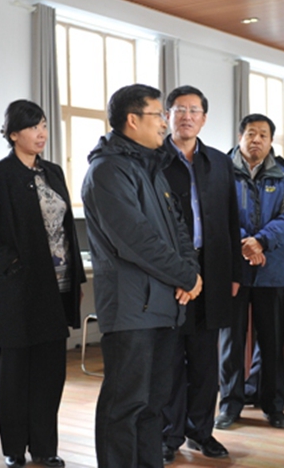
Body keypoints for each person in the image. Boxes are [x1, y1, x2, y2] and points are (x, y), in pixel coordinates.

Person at [81, 84, 202, 468]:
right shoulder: (108, 170)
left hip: (163, 305)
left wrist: (190, 271)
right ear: (132, 120)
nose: (166, 123)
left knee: (153, 404)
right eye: (158, 115)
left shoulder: (150, 166)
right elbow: (135, 240)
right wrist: (185, 276)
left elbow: (179, 229)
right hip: (131, 309)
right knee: (125, 404)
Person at [0, 100, 85, 468]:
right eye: (33, 127)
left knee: (51, 371)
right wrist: (13, 262)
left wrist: (75, 276)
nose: (41, 133)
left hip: (57, 287)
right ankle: (14, 448)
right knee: (15, 372)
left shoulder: (53, 172)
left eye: (44, 125)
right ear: (13, 133)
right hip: (16, 290)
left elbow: (65, 230)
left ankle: (45, 447)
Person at [159, 85, 241, 463]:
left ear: (204, 118)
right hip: (172, 274)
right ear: (167, 116)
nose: (187, 117)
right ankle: (169, 435)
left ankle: (201, 432)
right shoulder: (156, 160)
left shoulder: (219, 162)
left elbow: (230, 219)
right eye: (180, 110)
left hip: (213, 271)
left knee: (206, 361)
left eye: (194, 110)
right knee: (172, 360)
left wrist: (234, 271)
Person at [216, 114, 284, 430]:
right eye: (251, 133)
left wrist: (261, 241)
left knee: (272, 340)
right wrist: (244, 243)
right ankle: (230, 405)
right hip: (232, 269)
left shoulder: (283, 174)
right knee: (231, 341)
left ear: (270, 141)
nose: (256, 140)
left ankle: (274, 406)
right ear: (240, 137)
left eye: (263, 135)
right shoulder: (221, 171)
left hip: (270, 268)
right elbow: (217, 213)